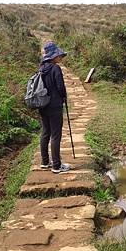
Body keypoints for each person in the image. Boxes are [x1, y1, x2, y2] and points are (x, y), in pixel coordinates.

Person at [38, 42, 71, 173]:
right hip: (55, 105)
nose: (61, 58)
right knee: (56, 135)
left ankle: (45, 162)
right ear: (54, 56)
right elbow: (60, 87)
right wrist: (64, 97)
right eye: (59, 55)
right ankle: (56, 166)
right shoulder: (55, 68)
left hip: (43, 105)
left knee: (45, 133)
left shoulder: (41, 68)